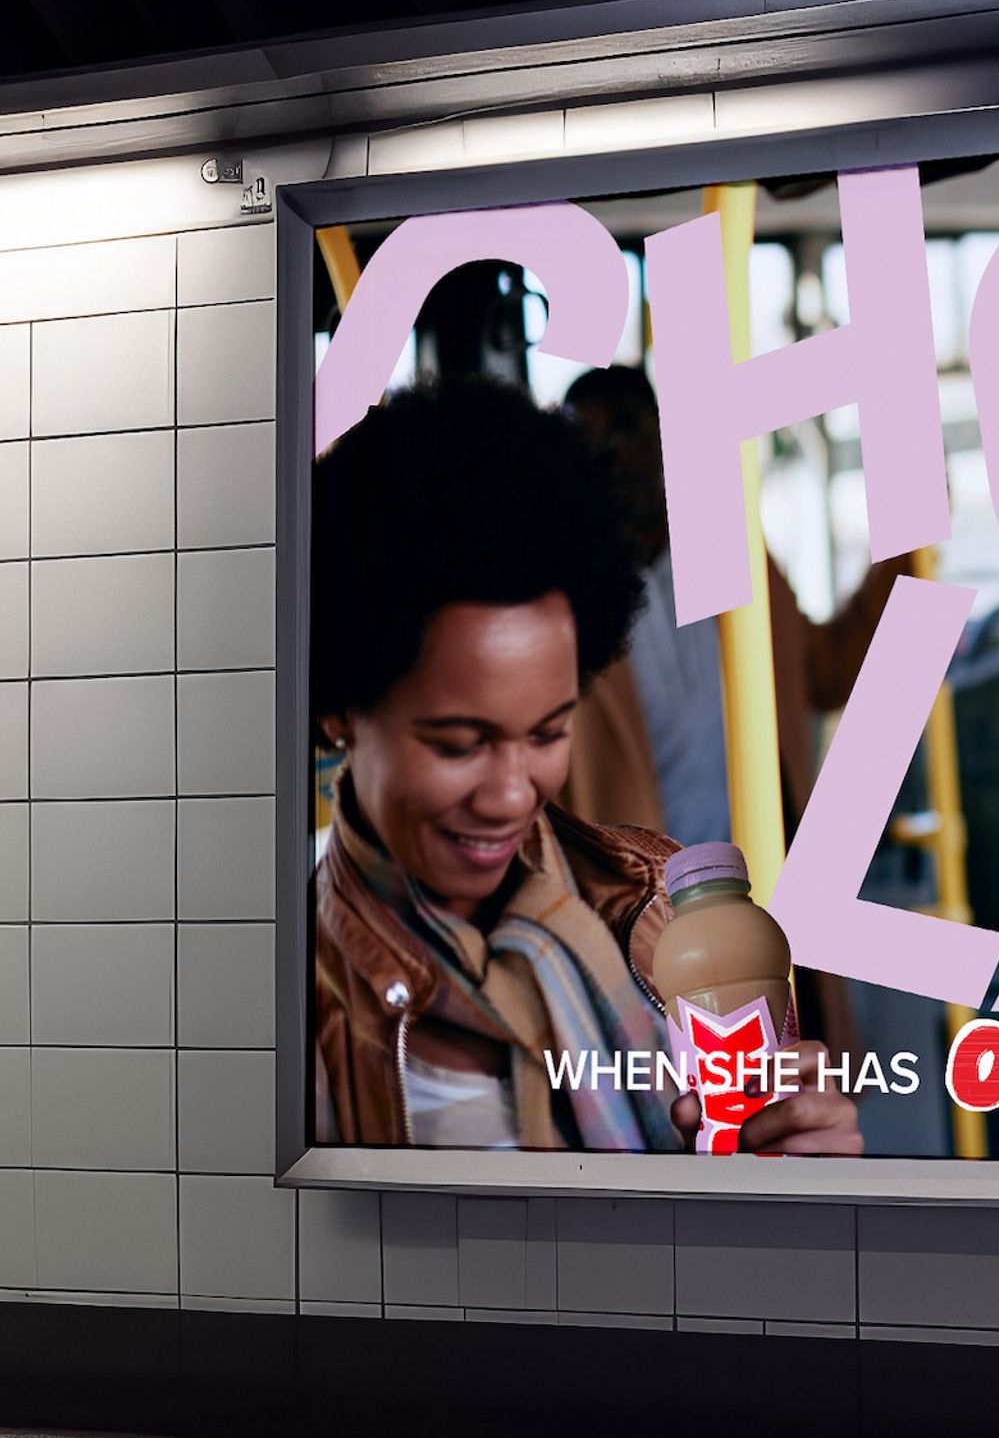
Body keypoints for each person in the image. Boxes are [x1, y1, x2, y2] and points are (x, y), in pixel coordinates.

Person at [307, 375, 862, 1154]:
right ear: (337, 708)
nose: (509, 795)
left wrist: (797, 1171)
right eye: (459, 744)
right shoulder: (277, 998)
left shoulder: (660, 907)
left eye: (547, 734)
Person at [559, 362, 904, 841]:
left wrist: (906, 548)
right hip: (641, 906)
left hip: (764, 884)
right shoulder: (560, 612)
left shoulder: (735, 562)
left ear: (665, 440)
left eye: (627, 430)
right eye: (586, 444)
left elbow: (825, 672)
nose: (611, 458)